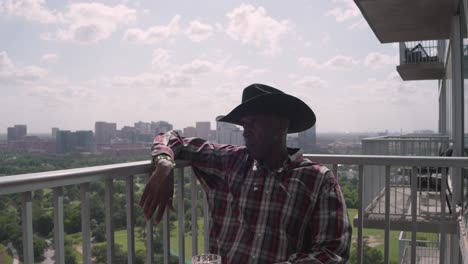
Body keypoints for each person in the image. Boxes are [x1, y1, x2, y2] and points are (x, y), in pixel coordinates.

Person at [140, 83, 352, 264]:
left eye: (255, 122)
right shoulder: (228, 161)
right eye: (244, 124)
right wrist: (164, 164)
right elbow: (169, 137)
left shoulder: (317, 180)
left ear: (282, 126)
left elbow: (333, 252)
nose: (246, 130)